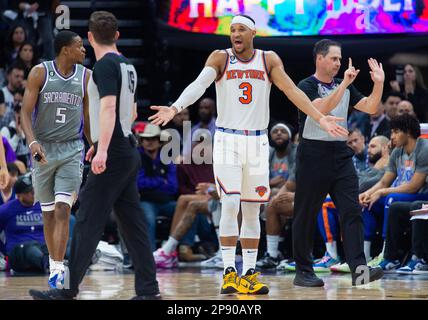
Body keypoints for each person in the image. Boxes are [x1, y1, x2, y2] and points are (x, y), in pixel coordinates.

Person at [149, 15, 347, 295]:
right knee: (230, 203)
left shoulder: (268, 59)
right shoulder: (220, 57)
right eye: (232, 30)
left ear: (253, 32)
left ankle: (249, 273)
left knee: (252, 209)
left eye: (241, 29)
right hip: (228, 139)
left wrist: (319, 117)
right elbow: (199, 84)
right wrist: (175, 106)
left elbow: (290, 90)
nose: (235, 34)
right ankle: (230, 271)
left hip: (256, 142)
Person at [29, 11, 160, 300]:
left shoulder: (103, 66)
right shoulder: (129, 66)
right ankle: (149, 291)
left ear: (90, 36)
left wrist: (101, 148)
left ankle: (65, 292)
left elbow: (109, 109)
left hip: (113, 152)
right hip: (127, 147)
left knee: (87, 219)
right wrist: (99, 140)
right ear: (117, 35)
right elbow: (133, 112)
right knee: (134, 224)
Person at [293, 39, 385, 287]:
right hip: (313, 154)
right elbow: (322, 108)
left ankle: (359, 271)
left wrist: (378, 83)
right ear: (319, 59)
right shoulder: (306, 85)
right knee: (305, 214)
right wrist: (344, 83)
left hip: (340, 155)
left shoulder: (343, 85)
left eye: (339, 59)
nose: (338, 63)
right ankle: (303, 271)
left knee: (352, 211)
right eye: (334, 58)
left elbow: (371, 107)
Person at [20, 30, 90, 289]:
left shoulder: (86, 77)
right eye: (79, 46)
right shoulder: (40, 73)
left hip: (72, 149)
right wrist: (32, 142)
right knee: (48, 214)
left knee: (63, 209)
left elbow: (89, 118)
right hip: (44, 150)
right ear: (65, 50)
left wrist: (95, 147)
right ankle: (54, 263)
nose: (84, 51)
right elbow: (25, 114)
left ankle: (59, 270)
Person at [359, 114, 428, 267]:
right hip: (402, 194)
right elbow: (384, 181)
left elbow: (414, 186)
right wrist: (367, 193)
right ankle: (364, 256)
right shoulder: (397, 152)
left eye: (396, 132)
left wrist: (383, 192)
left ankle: (387, 255)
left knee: (391, 199)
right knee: (367, 203)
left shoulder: (424, 148)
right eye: (392, 132)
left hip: (421, 195)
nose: (392, 137)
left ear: (408, 132)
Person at [137, 123, 178, 251]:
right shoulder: (137, 157)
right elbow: (139, 183)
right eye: (146, 139)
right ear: (142, 141)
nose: (150, 142)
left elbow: (173, 186)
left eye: (153, 139)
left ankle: (183, 249)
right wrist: (161, 181)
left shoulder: (166, 157)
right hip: (146, 201)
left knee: (187, 211)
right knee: (148, 219)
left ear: (159, 141)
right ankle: (151, 254)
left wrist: (152, 183)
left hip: (166, 202)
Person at [0, 175, 47, 273]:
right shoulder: (6, 210)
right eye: (29, 192)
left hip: (42, 247)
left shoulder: (43, 206)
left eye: (34, 190)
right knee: (30, 248)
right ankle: (49, 265)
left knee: (68, 244)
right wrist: (6, 252)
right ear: (19, 195)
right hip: (19, 252)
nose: (33, 194)